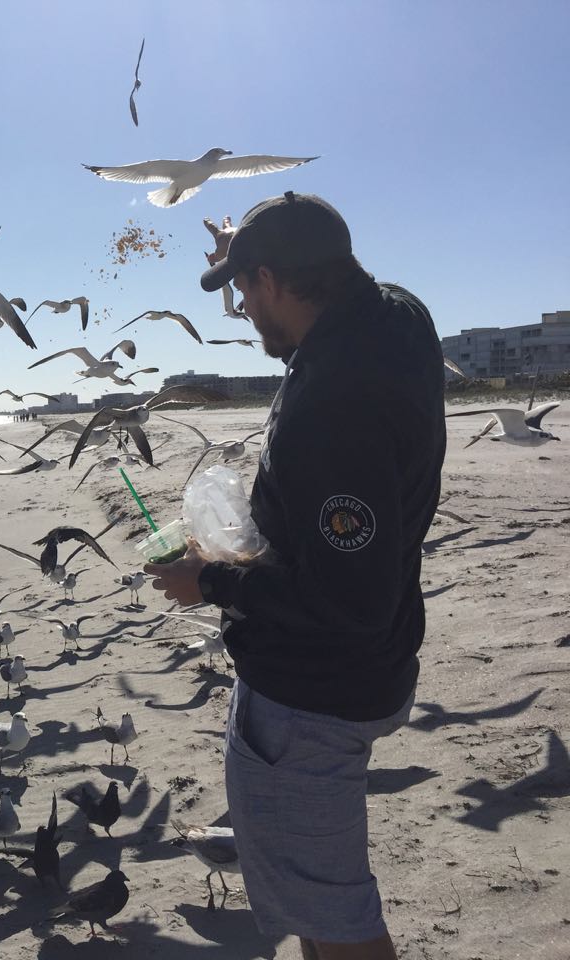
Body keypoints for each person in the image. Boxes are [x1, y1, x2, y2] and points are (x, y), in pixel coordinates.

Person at [144, 192, 446, 960]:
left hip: (312, 699)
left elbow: (349, 602)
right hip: (371, 670)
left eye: (246, 290)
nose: (243, 309)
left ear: (274, 280)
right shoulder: (398, 319)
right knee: (320, 905)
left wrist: (210, 583)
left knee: (335, 922)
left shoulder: (333, 407)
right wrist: (246, 248)